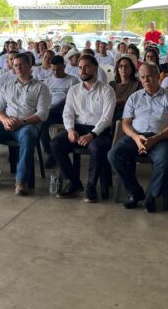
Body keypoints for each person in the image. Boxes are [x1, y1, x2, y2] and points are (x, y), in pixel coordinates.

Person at [0, 53, 51, 196]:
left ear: (30, 66)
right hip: (6, 123)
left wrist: (22, 122)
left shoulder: (41, 87)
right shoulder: (8, 86)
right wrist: (4, 120)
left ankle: (21, 180)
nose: (18, 68)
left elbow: (42, 114)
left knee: (28, 135)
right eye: (15, 65)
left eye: (22, 65)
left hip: (27, 125)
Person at [109, 62, 168, 212]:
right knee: (114, 154)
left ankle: (151, 196)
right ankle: (135, 193)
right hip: (136, 137)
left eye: (149, 76)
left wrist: (154, 139)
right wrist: (136, 138)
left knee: (164, 159)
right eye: (142, 77)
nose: (146, 80)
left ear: (158, 76)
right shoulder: (134, 97)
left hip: (160, 138)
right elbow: (125, 124)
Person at [51, 55, 116, 202]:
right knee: (56, 143)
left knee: (96, 148)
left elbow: (106, 118)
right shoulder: (74, 90)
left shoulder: (107, 90)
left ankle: (91, 186)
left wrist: (92, 134)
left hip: (99, 131)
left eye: (87, 67)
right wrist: (70, 130)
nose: (83, 70)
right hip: (78, 128)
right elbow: (67, 112)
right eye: (80, 67)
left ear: (95, 69)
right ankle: (74, 182)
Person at [41, 54, 79, 168]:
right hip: (51, 112)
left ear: (64, 67)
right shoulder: (47, 81)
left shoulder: (73, 80)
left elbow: (74, 101)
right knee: (41, 122)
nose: (56, 72)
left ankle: (53, 154)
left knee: (65, 100)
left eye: (58, 69)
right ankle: (51, 152)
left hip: (67, 112)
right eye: (53, 69)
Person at [110, 55, 142, 119]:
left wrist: (118, 100)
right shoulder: (112, 84)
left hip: (131, 115)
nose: (123, 68)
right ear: (117, 69)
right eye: (121, 66)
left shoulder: (138, 84)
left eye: (126, 66)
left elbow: (138, 102)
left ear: (131, 69)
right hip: (112, 114)